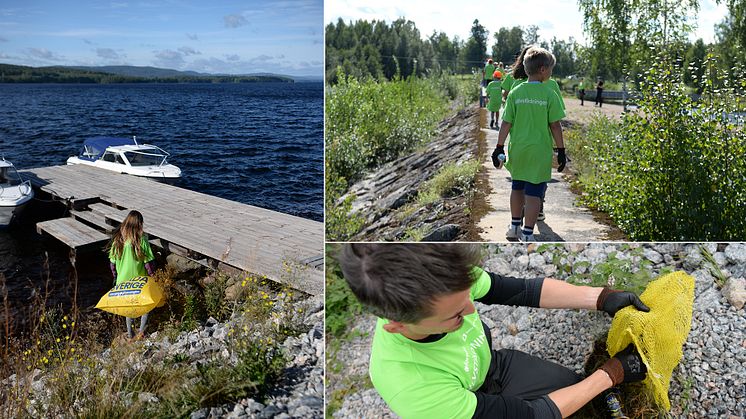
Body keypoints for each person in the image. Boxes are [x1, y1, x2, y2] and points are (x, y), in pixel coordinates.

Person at [338, 243, 649, 419]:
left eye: (468, 299)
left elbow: (521, 290)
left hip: (493, 367)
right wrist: (610, 374)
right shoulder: (409, 384)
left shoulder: (443, 279)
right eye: (456, 315)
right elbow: (528, 418)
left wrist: (601, 297)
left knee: (580, 396)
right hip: (463, 408)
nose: (473, 311)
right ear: (398, 326)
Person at [492, 46, 566, 241]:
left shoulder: (516, 93)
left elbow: (506, 122)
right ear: (543, 70)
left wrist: (499, 146)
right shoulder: (550, 94)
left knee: (517, 188)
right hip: (539, 152)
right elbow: (555, 126)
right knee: (534, 194)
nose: (551, 72)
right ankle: (527, 233)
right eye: (550, 68)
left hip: (518, 149)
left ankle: (514, 226)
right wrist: (561, 150)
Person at [106, 210, 155, 340]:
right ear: (139, 224)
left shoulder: (118, 241)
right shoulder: (141, 241)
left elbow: (112, 264)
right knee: (146, 306)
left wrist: (116, 277)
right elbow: (148, 264)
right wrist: (153, 277)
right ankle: (141, 332)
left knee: (129, 309)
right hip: (140, 281)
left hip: (123, 281)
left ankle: (130, 334)